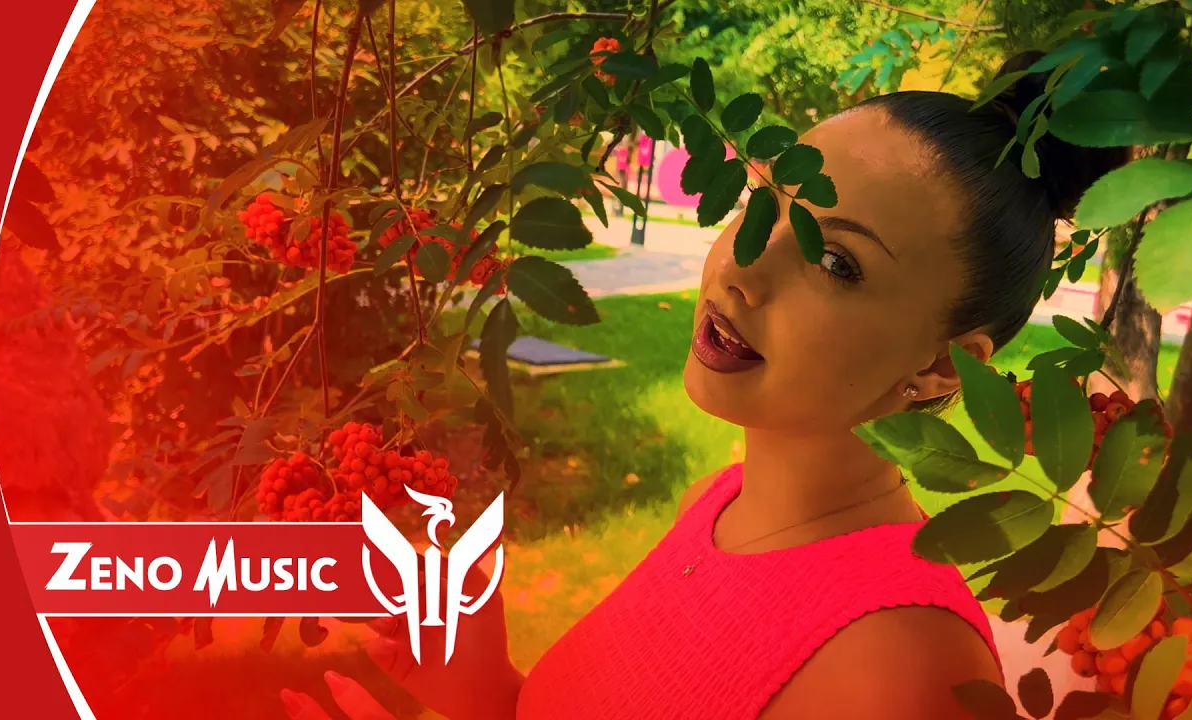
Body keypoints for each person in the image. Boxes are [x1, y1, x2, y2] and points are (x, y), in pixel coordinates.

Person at [281, 50, 1129, 720]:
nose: (742, 266)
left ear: (944, 365)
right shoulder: (724, 506)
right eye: (765, 200)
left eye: (838, 262)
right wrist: (490, 695)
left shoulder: (901, 669)